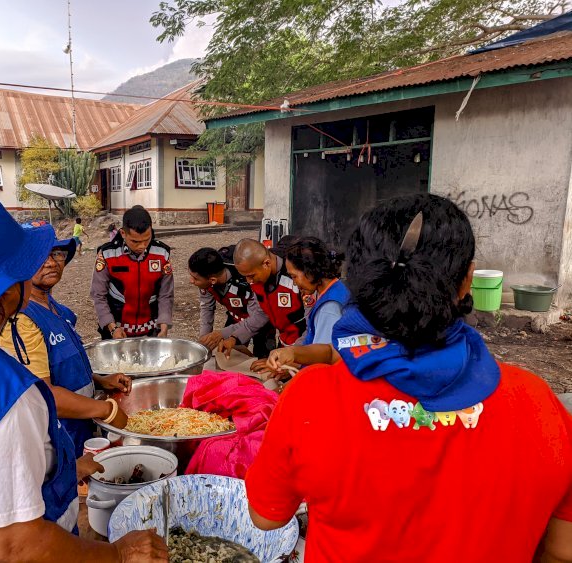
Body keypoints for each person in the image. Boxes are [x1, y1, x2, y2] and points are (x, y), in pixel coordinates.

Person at [245, 193, 572, 562]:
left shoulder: (312, 398)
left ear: (360, 284)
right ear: (467, 281)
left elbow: (265, 516)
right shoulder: (539, 404)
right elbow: (562, 550)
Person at [0, 196, 167, 562]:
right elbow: (16, 544)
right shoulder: (3, 392)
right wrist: (117, 554)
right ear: (6, 289)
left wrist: (61, 472)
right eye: (27, 266)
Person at [0, 221, 131, 458]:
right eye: (40, 256)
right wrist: (106, 410)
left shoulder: (58, 309)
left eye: (57, 254)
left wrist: (101, 381)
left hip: (81, 430)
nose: (51, 262)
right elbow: (42, 394)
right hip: (57, 439)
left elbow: (62, 366)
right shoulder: (22, 320)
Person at [264, 237, 350, 376]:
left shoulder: (329, 307)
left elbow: (323, 361)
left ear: (309, 272)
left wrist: (291, 384)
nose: (294, 283)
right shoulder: (333, 290)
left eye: (294, 277)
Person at [91, 205, 174, 339]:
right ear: (123, 233)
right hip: (117, 330)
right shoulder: (107, 254)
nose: (142, 246)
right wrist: (112, 328)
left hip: (151, 331)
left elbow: (166, 294)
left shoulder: (162, 254)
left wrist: (163, 326)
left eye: (146, 240)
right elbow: (98, 295)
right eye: (135, 241)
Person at [220, 238, 306, 356]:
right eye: (244, 276)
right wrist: (234, 337)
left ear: (266, 263)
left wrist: (293, 355)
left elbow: (314, 324)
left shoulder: (297, 275)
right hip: (285, 344)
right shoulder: (258, 280)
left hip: (305, 347)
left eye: (251, 276)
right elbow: (261, 314)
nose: (249, 281)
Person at [188, 247, 275, 358]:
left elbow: (257, 319)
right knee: (226, 354)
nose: (191, 281)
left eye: (195, 278)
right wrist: (205, 340)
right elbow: (207, 307)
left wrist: (226, 334)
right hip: (235, 317)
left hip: (260, 321)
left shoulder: (247, 279)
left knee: (262, 360)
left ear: (213, 280)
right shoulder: (207, 278)